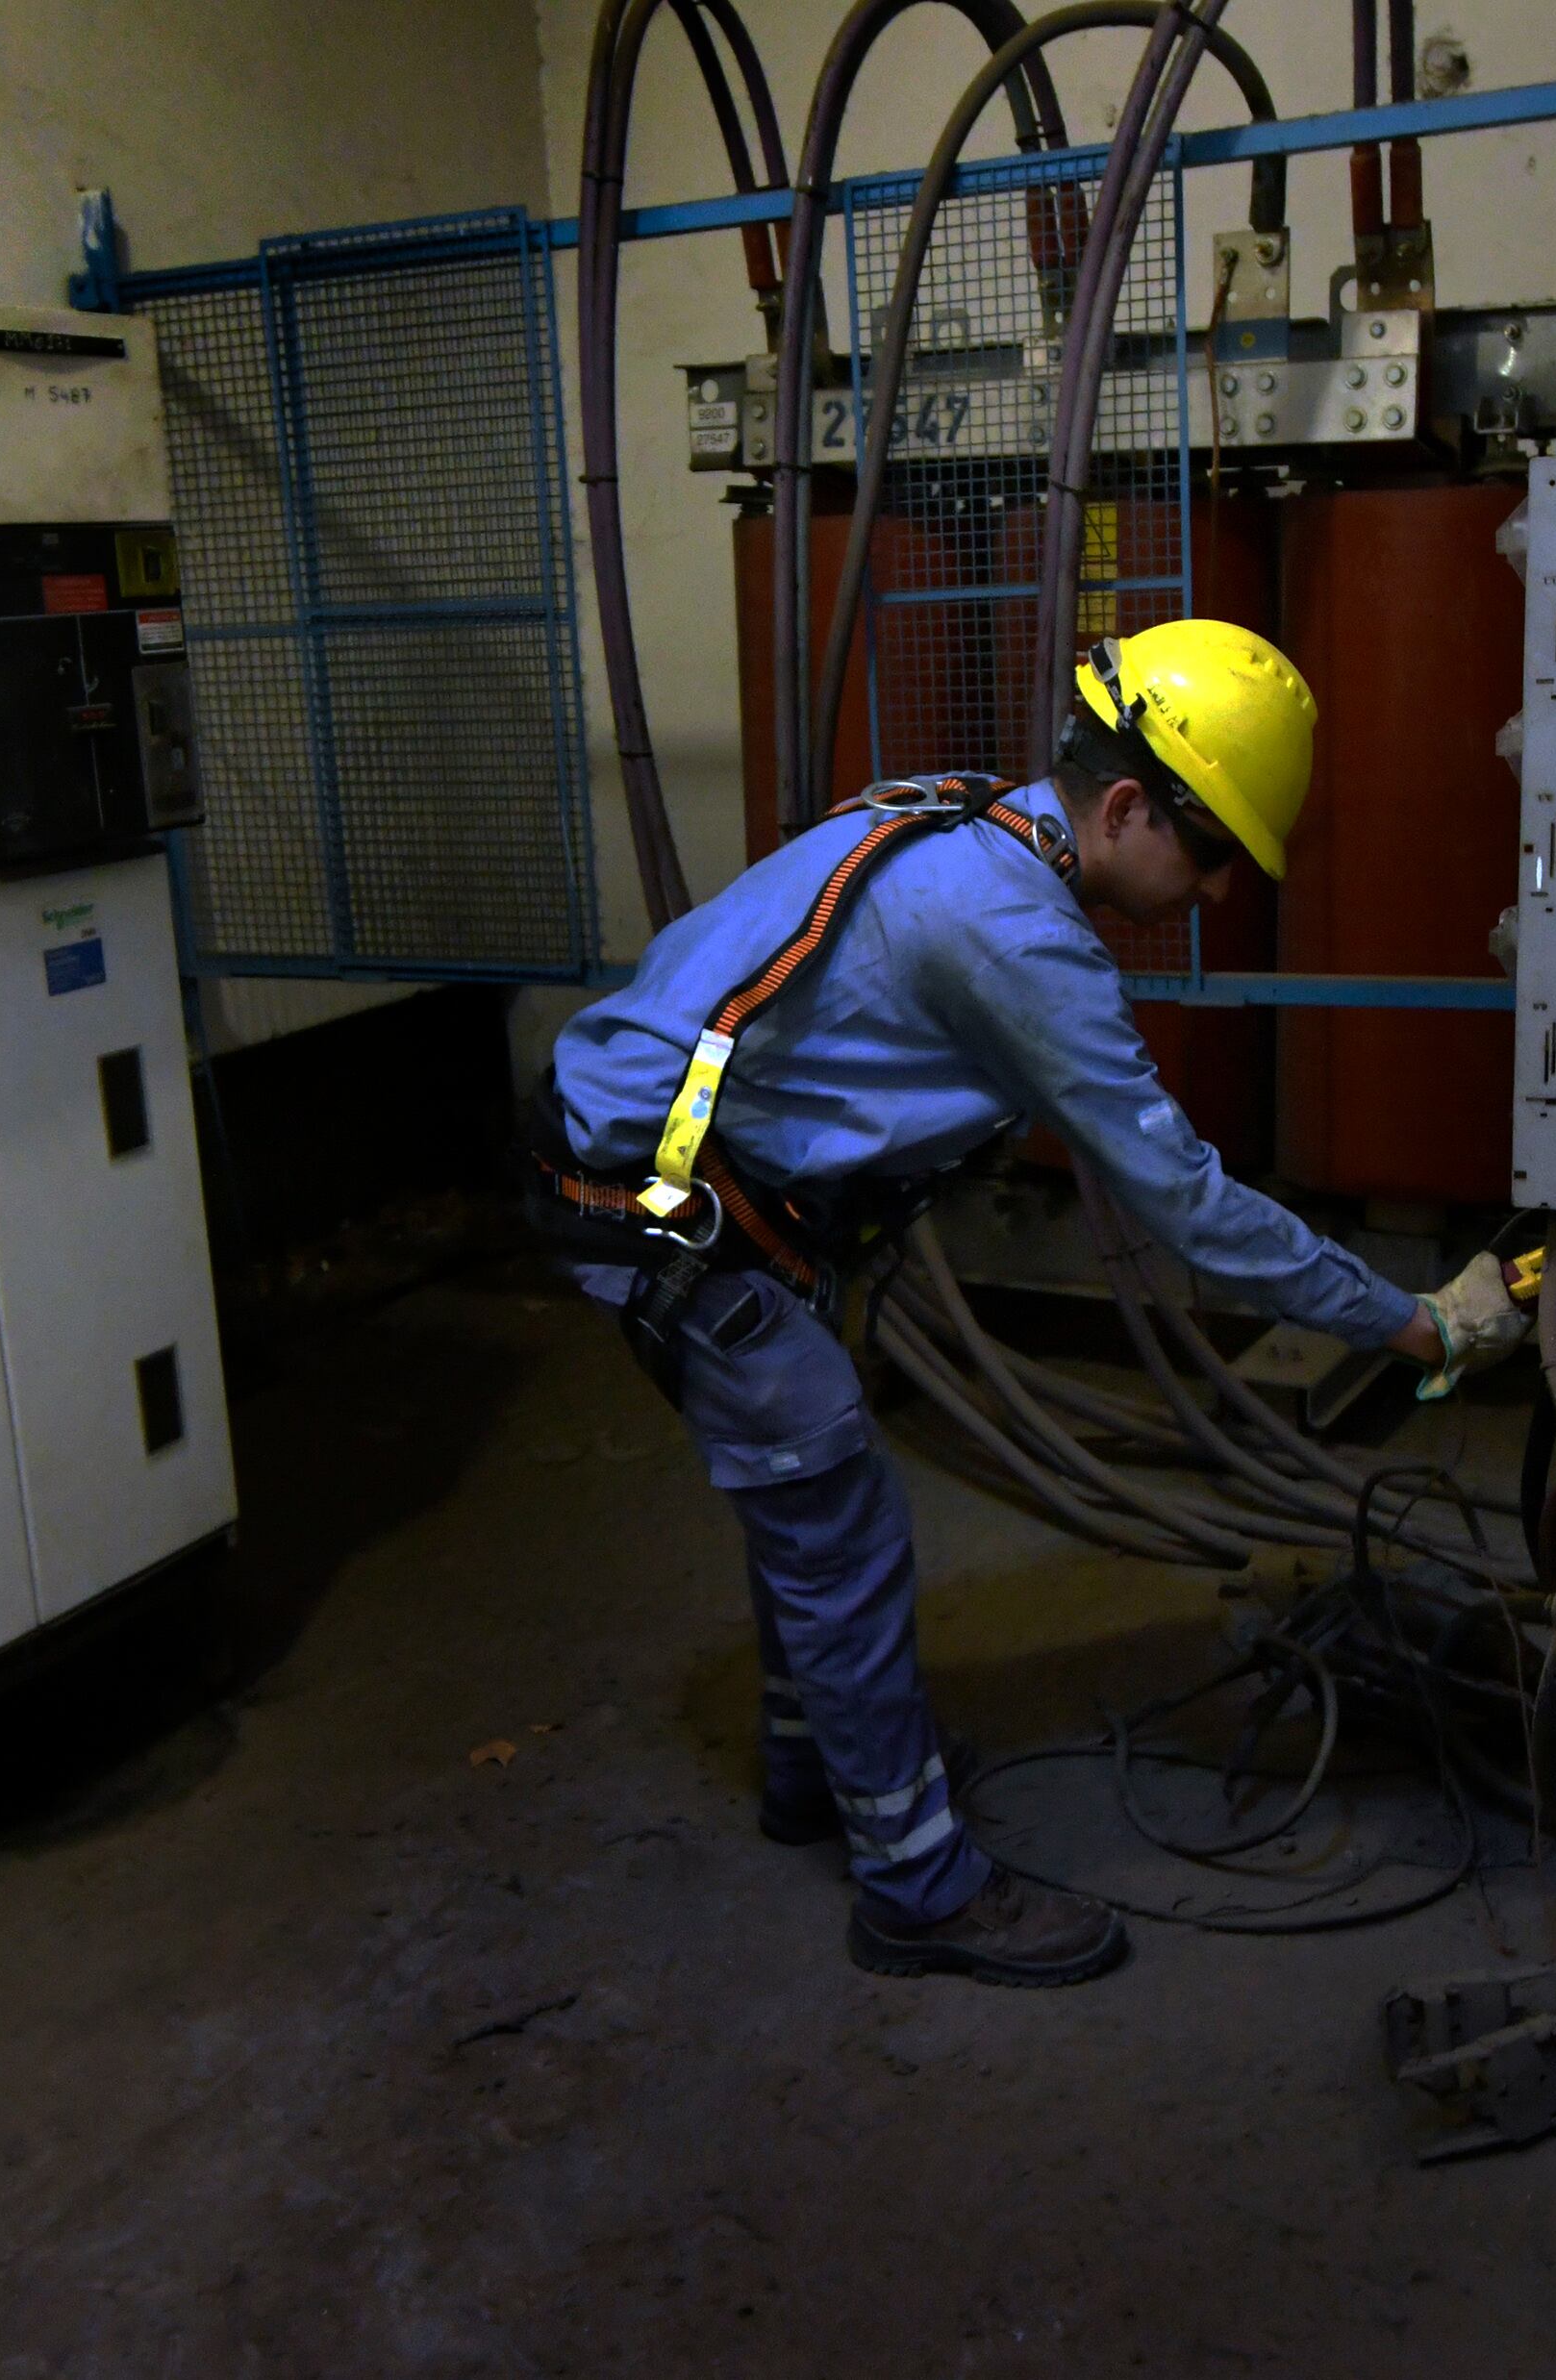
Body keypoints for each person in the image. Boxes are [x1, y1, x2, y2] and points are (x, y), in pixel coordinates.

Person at [537, 619, 1454, 1988]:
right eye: (1210, 855)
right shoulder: (1013, 931)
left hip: (682, 1174)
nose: (1212, 895)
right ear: (1129, 804)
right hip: (663, 1210)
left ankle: (817, 1774)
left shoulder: (974, 818)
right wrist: (1407, 1319)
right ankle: (915, 1887)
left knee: (806, 1507)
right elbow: (1188, 1202)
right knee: (837, 1517)